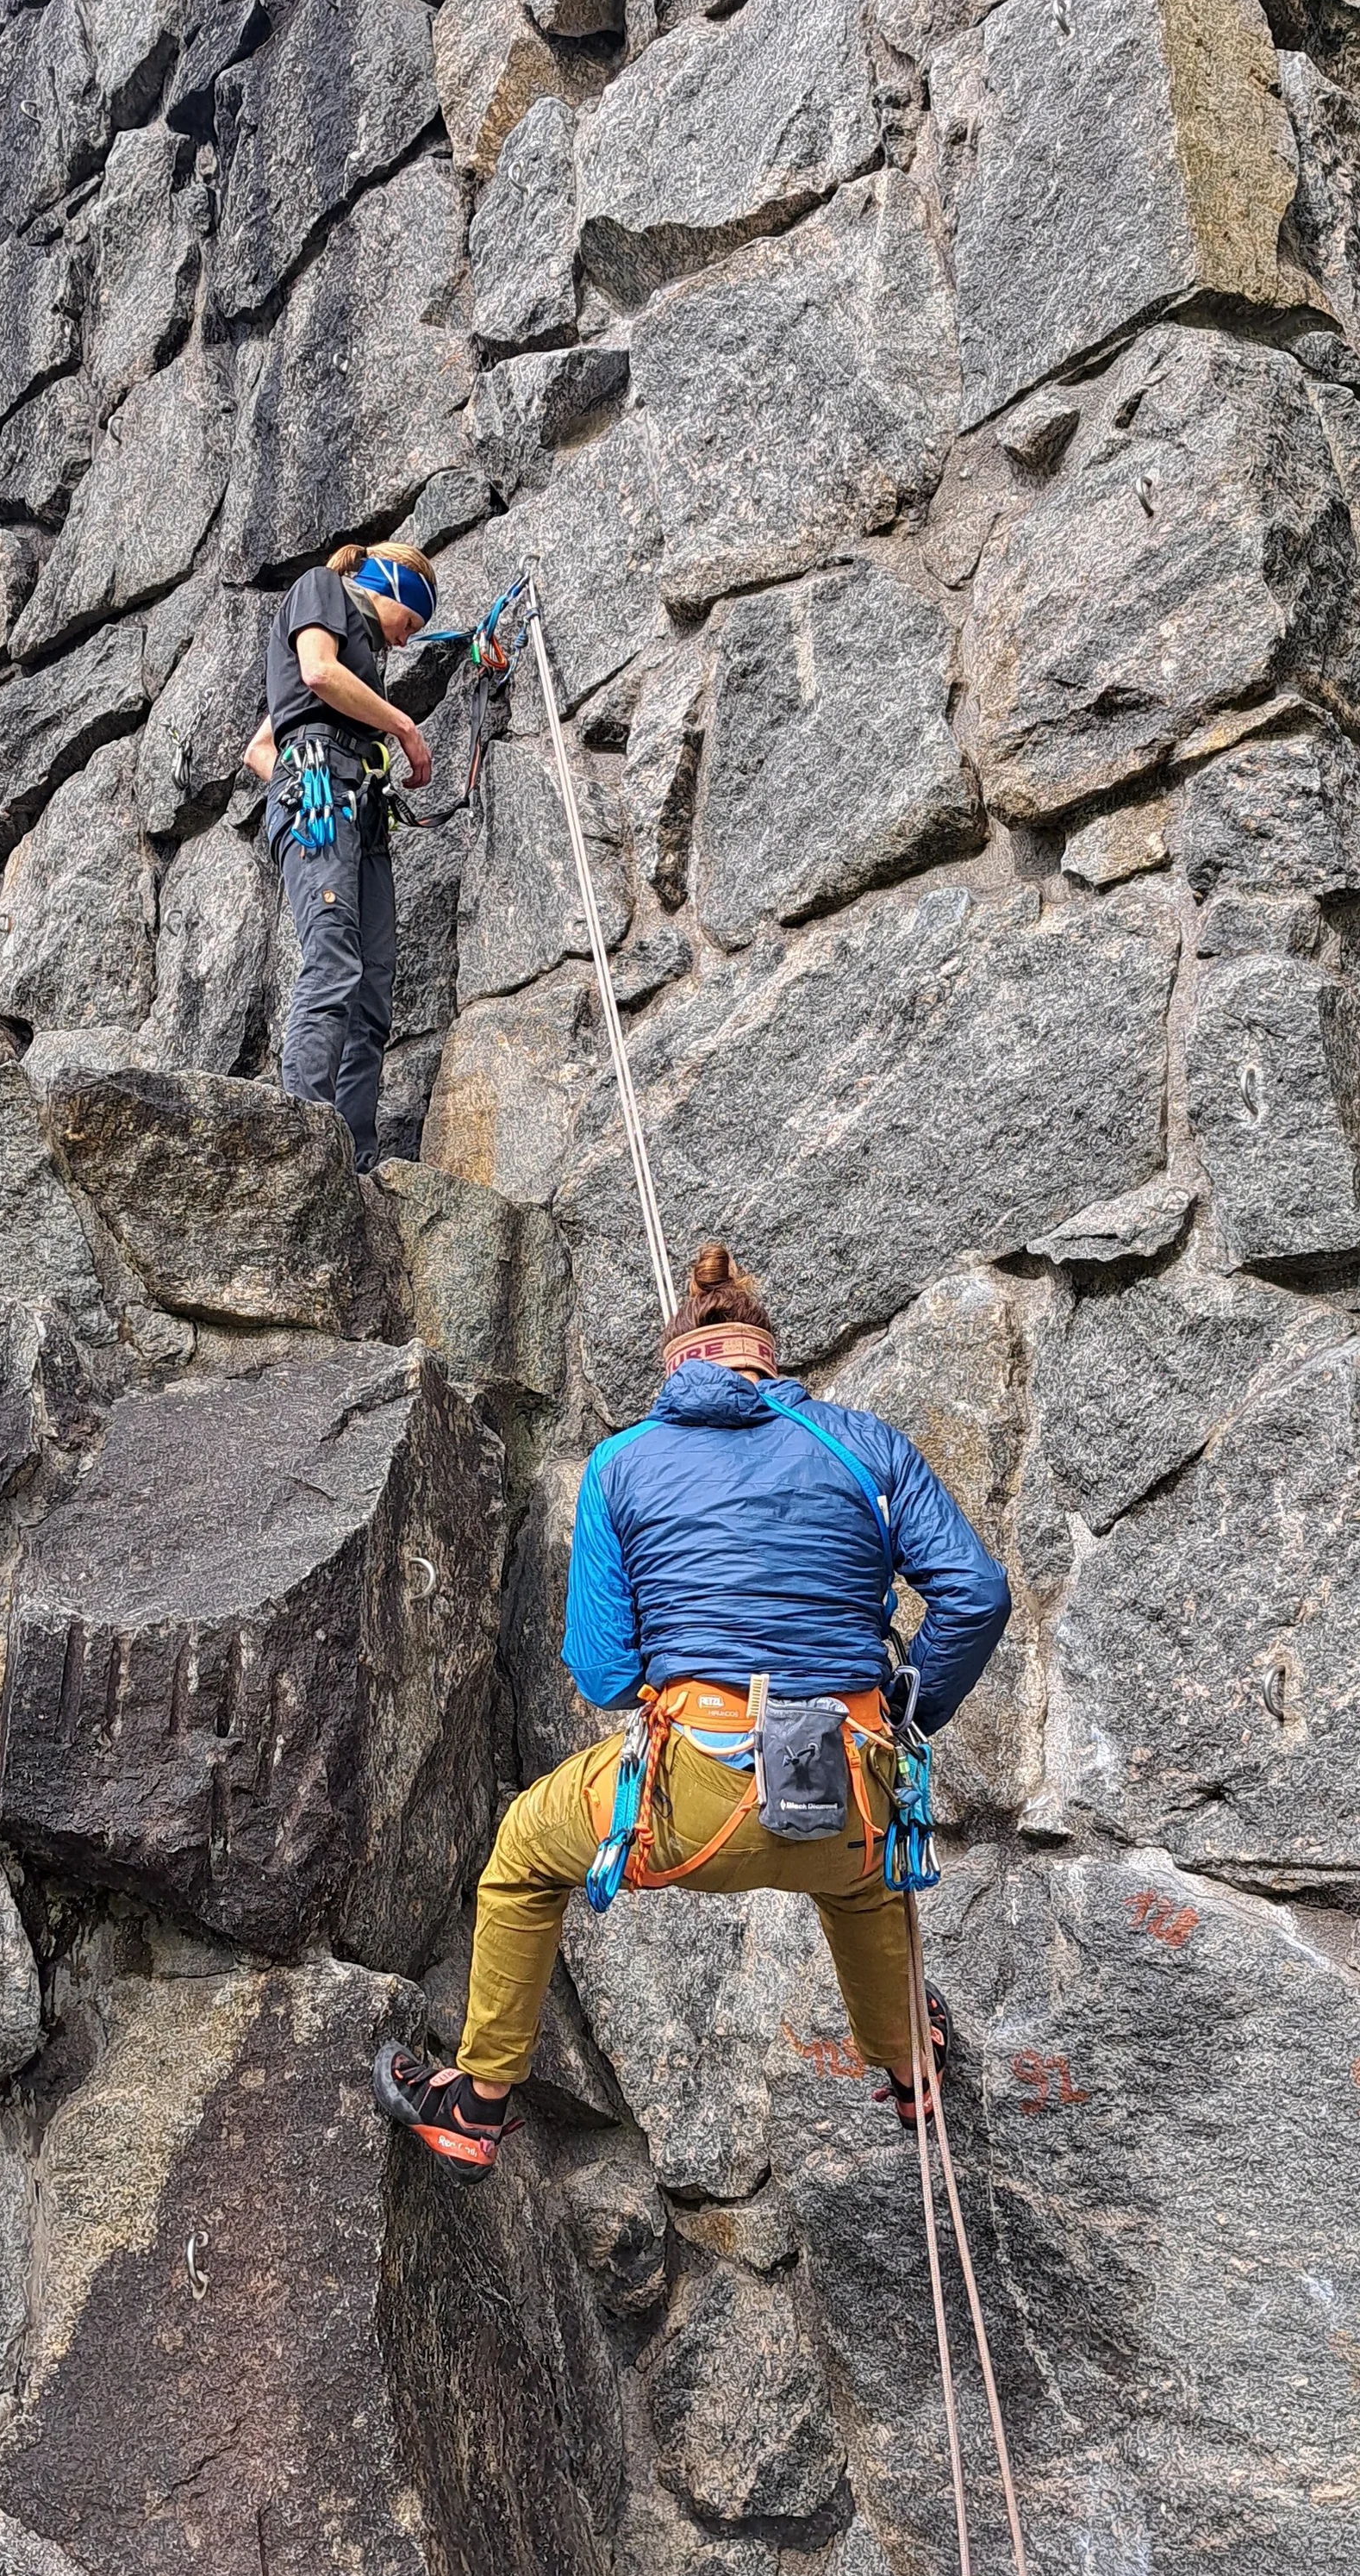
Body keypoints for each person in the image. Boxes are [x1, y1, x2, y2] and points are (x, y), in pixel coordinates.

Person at [375, 1242, 1012, 2180]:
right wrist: (911, 1705)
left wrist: (684, 1681)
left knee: (521, 1852)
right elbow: (977, 1594)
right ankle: (911, 2066)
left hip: (688, 1803)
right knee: (868, 1881)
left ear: (675, 1365)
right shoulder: (863, 1444)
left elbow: (599, 1670)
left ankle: (476, 2103)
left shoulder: (622, 1462)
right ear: (770, 1360)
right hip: (848, 1789)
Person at [244, 543, 439, 1171]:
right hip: (321, 795)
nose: (406, 644)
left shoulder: (367, 661)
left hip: (358, 809)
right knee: (332, 961)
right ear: (394, 589)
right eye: (410, 625)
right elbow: (318, 673)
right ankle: (303, 1133)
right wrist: (402, 730)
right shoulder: (320, 591)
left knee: (373, 985)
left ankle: (355, 1158)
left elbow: (258, 749)